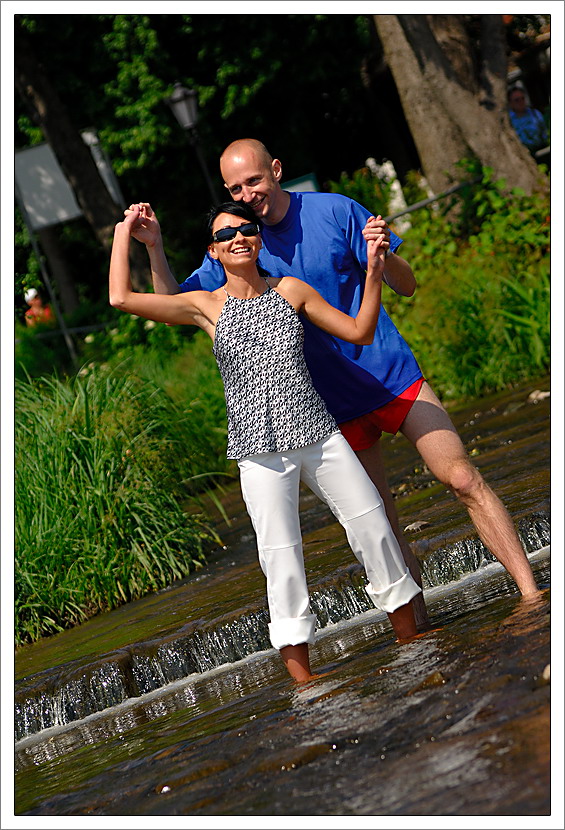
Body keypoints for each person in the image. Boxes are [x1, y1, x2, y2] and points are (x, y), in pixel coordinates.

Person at [127, 139, 539, 618]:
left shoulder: (335, 210)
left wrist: (382, 258)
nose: (247, 195)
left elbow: (407, 285)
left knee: (463, 478)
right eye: (235, 188)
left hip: (389, 375)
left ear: (276, 169)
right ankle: (425, 636)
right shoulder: (239, 239)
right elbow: (172, 304)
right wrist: (154, 247)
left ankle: (533, 597)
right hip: (329, 410)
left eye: (254, 181)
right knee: (384, 527)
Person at [109, 200, 423, 682]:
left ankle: (414, 646)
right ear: (213, 251)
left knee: (375, 530)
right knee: (282, 561)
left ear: (257, 239)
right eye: (225, 234)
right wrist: (127, 232)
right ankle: (307, 687)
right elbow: (121, 299)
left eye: (246, 229)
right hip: (259, 454)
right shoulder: (204, 305)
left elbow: (360, 332)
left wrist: (375, 272)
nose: (238, 237)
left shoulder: (291, 289)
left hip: (319, 435)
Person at [508, 87, 548, 155]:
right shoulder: (508, 121)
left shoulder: (535, 114)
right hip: (523, 155)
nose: (521, 102)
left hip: (542, 151)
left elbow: (544, 132)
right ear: (510, 103)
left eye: (522, 98)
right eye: (517, 100)